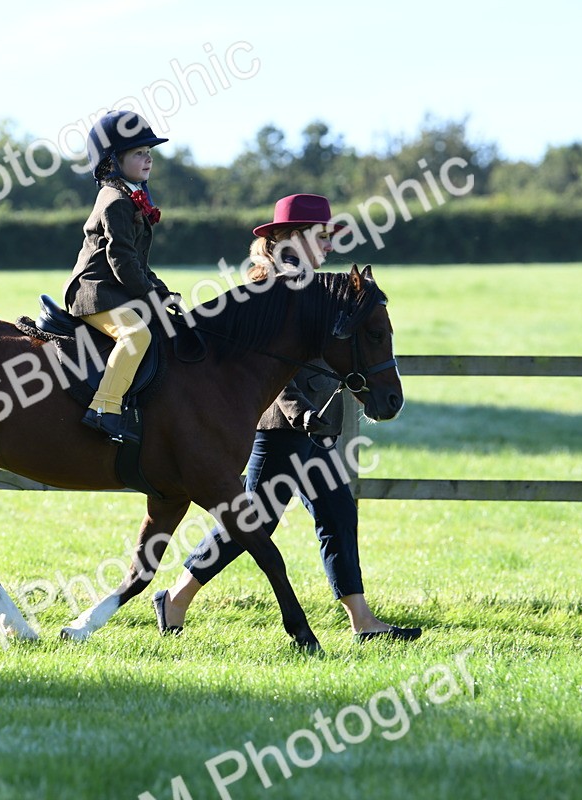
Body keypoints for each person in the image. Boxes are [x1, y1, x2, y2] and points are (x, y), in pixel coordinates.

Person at [152, 193, 422, 642]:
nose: (330, 245)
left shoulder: (313, 287)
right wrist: (301, 414)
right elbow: (271, 369)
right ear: (291, 238)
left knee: (336, 514)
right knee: (253, 522)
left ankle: (363, 622)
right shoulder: (276, 290)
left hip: (316, 429)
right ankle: (175, 597)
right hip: (280, 427)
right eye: (323, 236)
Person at [62, 110, 180, 445]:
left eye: (149, 154)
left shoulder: (128, 195)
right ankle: (104, 409)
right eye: (139, 154)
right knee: (136, 335)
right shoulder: (115, 200)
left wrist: (162, 291)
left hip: (113, 289)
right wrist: (150, 296)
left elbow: (138, 263)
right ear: (113, 162)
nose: (148, 160)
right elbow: (122, 260)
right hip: (94, 292)